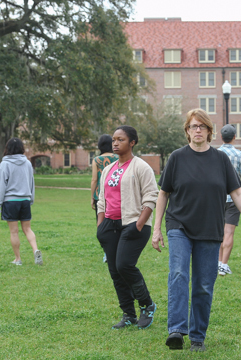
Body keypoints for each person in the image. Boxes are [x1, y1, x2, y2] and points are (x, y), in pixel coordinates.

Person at [152, 109, 241, 352]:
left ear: (210, 131)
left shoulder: (221, 160)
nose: (197, 130)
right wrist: (156, 228)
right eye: (193, 126)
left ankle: (198, 336)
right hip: (179, 225)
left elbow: (237, 192)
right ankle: (177, 330)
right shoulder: (177, 158)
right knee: (178, 273)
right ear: (187, 131)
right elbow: (163, 193)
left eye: (202, 126)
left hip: (210, 230)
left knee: (203, 284)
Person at [96, 125, 159, 330]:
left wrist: (139, 224)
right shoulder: (108, 169)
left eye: (120, 139)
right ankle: (128, 314)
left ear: (132, 142)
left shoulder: (141, 167)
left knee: (124, 265)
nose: (115, 143)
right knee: (115, 271)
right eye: (114, 139)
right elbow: (101, 200)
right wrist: (100, 225)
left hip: (133, 224)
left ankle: (147, 305)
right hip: (110, 226)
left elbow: (151, 197)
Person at [0, 138, 42, 266]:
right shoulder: (27, 163)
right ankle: (35, 250)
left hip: (11, 201)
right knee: (27, 229)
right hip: (25, 200)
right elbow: (31, 182)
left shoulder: (4, 164)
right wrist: (31, 198)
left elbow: (1, 186)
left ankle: (18, 259)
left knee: (14, 231)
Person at [217, 124, 241, 276]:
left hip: (216, 199)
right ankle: (224, 265)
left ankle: (217, 263)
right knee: (229, 232)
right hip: (233, 199)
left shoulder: (214, 154)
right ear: (234, 138)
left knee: (217, 233)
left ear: (221, 137)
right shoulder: (240, 155)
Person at [91, 134, 118, 263]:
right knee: (117, 223)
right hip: (115, 195)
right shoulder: (118, 157)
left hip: (100, 196)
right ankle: (118, 249)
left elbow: (94, 179)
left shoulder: (96, 160)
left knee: (102, 224)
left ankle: (107, 253)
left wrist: (92, 197)